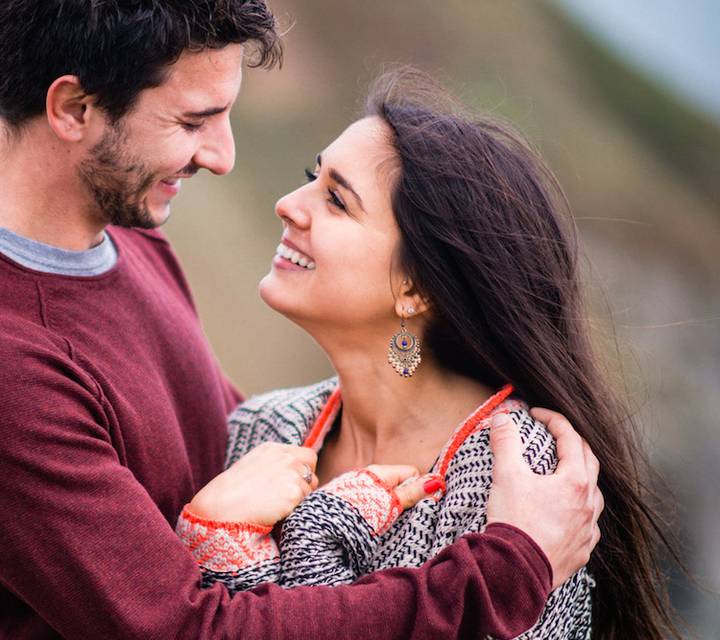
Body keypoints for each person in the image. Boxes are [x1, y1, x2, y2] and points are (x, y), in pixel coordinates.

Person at [0, 3, 603, 638]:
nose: (224, 155)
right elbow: (194, 630)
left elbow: (223, 443)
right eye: (194, 120)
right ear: (73, 108)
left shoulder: (123, 240)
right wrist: (509, 568)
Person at [176, 68, 678, 639]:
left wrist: (281, 544)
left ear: (417, 288)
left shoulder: (518, 478)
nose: (288, 204)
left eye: (336, 199)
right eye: (310, 177)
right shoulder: (263, 428)